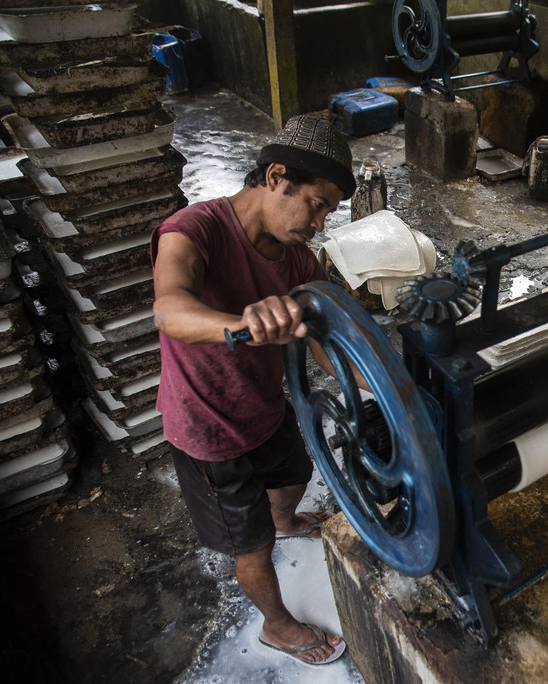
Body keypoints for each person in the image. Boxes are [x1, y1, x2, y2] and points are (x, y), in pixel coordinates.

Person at [150, 114, 356, 666]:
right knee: (252, 544)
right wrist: (241, 323)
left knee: (294, 475)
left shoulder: (298, 260)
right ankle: (278, 625)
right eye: (317, 203)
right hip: (207, 428)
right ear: (276, 176)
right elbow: (169, 309)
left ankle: (287, 519)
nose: (319, 223)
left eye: (329, 212)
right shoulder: (193, 230)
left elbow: (322, 335)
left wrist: (376, 387)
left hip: (264, 405)